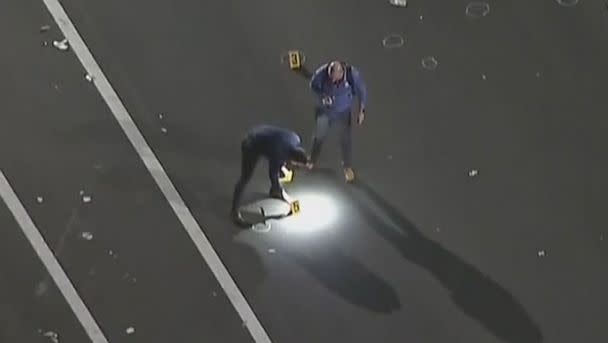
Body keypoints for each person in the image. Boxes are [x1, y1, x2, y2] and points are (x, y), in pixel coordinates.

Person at [231, 125, 308, 222]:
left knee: (282, 171)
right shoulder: (279, 154)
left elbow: (281, 163)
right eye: (295, 167)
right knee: (245, 177)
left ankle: (275, 192)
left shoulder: (295, 138)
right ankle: (234, 211)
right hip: (251, 144)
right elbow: (273, 175)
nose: (295, 170)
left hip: (267, 137)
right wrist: (284, 196)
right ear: (291, 159)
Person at [307, 60, 368, 182]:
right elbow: (313, 85)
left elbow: (362, 92)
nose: (333, 81)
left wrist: (362, 111)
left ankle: (347, 167)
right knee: (319, 135)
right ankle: (312, 160)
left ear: (341, 72)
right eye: (331, 78)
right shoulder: (322, 73)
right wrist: (323, 95)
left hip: (343, 112)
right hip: (325, 112)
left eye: (335, 79)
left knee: (345, 139)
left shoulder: (353, 75)